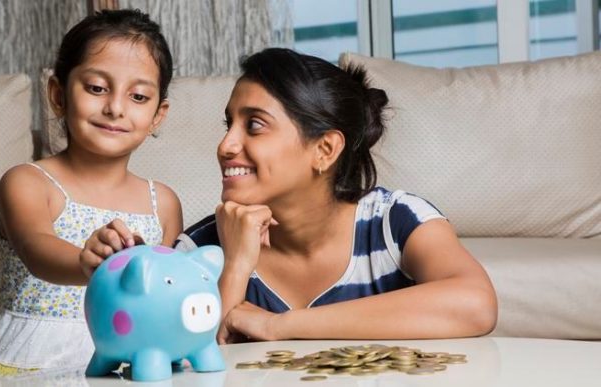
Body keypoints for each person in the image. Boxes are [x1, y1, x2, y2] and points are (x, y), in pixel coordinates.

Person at [175, 48, 497, 344]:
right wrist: (236, 265)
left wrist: (280, 326)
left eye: (255, 125)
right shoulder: (199, 247)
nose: (225, 145)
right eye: (229, 124)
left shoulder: (395, 221)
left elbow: (475, 304)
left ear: (324, 150)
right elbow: (190, 363)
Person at [0, 9, 182, 385]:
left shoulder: (162, 202)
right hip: (31, 362)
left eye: (139, 96)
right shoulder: (27, 182)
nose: (115, 107)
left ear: (158, 114)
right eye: (97, 88)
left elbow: (164, 295)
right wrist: (86, 261)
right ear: (58, 94)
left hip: (126, 359)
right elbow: (38, 250)